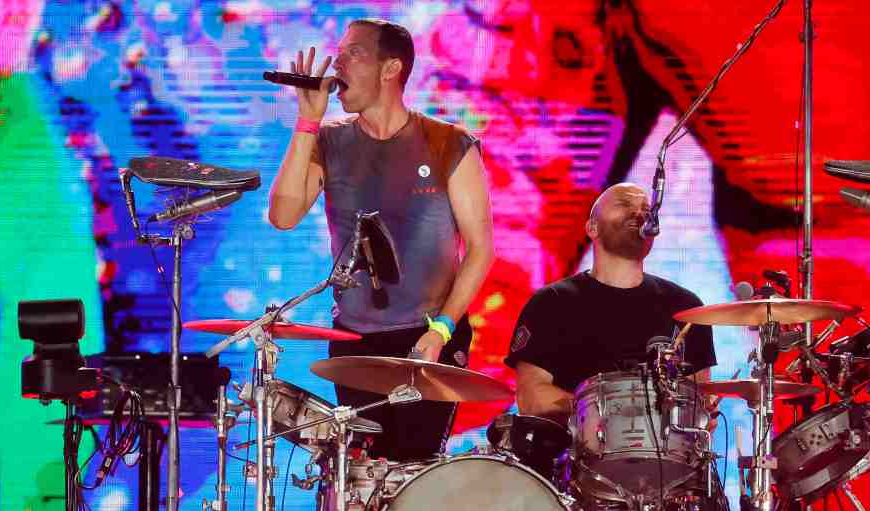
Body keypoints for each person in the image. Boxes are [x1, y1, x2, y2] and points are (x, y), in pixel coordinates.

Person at [268, 19, 494, 462]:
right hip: (355, 341)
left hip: (427, 337)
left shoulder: (449, 143)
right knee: (360, 476)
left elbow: (481, 249)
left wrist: (441, 329)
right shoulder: (330, 140)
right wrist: (306, 123)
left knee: (414, 471)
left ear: (391, 68)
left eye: (353, 53)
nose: (337, 62)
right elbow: (283, 215)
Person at [505, 182, 717, 421]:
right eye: (625, 204)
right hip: (571, 453)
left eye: (647, 210)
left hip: (665, 458)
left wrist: (701, 417)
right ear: (592, 227)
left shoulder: (686, 308)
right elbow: (531, 398)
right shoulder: (551, 303)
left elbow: (698, 403)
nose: (640, 213)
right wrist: (611, 412)